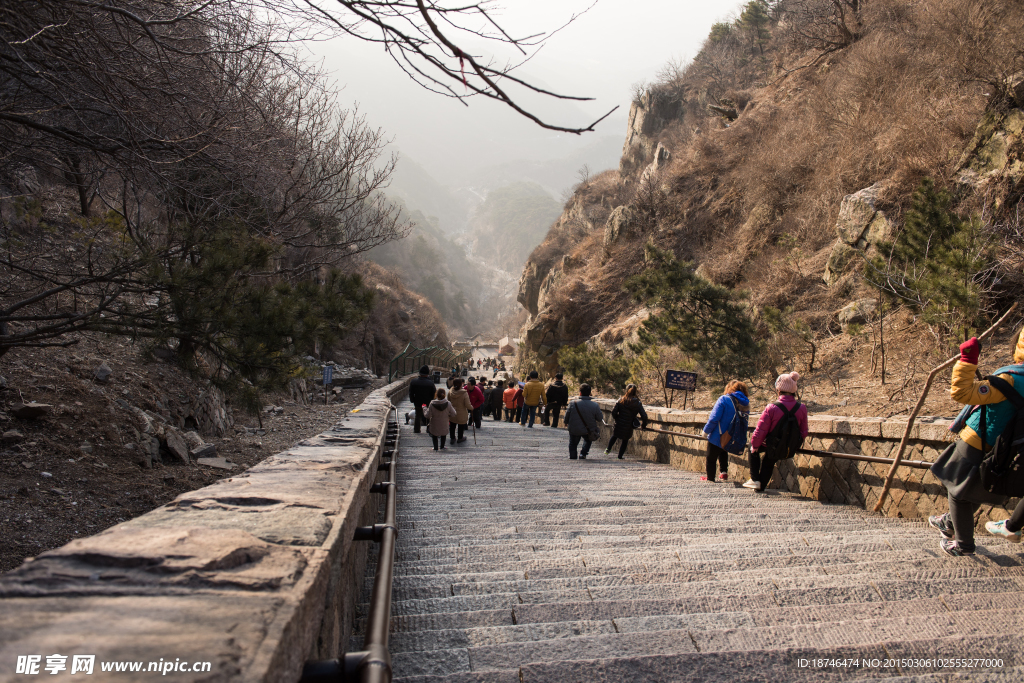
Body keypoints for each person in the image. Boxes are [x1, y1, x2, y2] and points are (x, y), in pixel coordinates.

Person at [928, 331, 1024, 556]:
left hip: (978, 441)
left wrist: (967, 360)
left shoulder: (1011, 379)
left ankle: (963, 545)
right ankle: (950, 523)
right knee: (973, 490)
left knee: (957, 492)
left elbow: (962, 392)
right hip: (1008, 450)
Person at [744, 371, 808, 492]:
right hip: (786, 446)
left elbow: (761, 430)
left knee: (752, 448)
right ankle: (761, 486)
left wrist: (755, 445)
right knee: (769, 460)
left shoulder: (772, 407)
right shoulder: (802, 408)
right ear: (794, 391)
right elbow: (804, 431)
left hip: (770, 443)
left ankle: (755, 480)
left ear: (778, 390)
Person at [701, 380, 750, 482]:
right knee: (723, 449)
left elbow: (714, 418)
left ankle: (710, 478)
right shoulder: (745, 403)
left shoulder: (724, 399)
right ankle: (723, 472)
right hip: (733, 435)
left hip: (718, 434)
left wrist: (706, 431)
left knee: (711, 457)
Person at [606, 384, 648, 459]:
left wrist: (617, 419)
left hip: (619, 423)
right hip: (629, 425)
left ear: (626, 390)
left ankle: (608, 449)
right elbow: (644, 416)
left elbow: (613, 412)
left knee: (615, 435)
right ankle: (620, 456)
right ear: (635, 391)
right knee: (625, 440)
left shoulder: (621, 400)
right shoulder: (638, 403)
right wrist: (643, 425)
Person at [565, 383, 605, 460]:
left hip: (575, 428)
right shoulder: (595, 405)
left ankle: (573, 457)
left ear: (580, 392)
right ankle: (583, 453)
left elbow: (567, 415)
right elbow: (600, 418)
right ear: (590, 393)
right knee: (588, 439)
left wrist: (566, 422)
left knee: (573, 443)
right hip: (589, 429)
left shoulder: (573, 403)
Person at [408, 365, 436, 434]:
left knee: (418, 415)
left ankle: (417, 430)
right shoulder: (430, 383)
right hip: (428, 402)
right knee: (429, 415)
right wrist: (432, 401)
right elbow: (434, 393)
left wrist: (412, 400)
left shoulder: (413, 382)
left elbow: (411, 393)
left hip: (417, 401)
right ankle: (429, 429)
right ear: (427, 373)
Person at [448, 378, 472, 444]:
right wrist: (471, 408)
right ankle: (460, 438)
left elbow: (448, 401)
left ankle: (452, 438)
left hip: (452, 411)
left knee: (452, 425)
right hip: (461, 412)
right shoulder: (464, 393)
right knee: (461, 425)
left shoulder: (450, 391)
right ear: (461, 384)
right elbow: (467, 404)